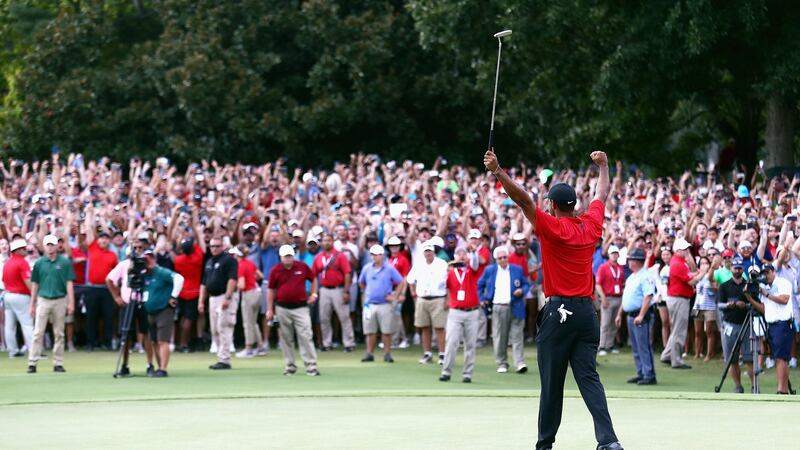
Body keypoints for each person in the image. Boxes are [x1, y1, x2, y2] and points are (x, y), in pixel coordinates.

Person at [484, 148, 621, 450]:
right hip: (587, 315)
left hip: (559, 312)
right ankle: (609, 441)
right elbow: (602, 194)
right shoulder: (591, 225)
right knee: (589, 378)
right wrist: (604, 166)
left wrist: (497, 171)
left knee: (552, 386)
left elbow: (523, 201)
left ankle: (545, 445)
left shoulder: (554, 228)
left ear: (555, 206)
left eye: (549, 203)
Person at [268, 245, 319, 376]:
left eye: (290, 256)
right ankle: (290, 365)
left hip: (301, 307)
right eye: (285, 256)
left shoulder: (302, 267)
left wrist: (313, 294)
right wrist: (269, 309)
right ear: (281, 257)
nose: (288, 259)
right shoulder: (276, 270)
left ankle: (311, 365)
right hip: (282, 308)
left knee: (306, 335)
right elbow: (270, 290)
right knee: (286, 338)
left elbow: (313, 279)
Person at [27, 235, 76, 373]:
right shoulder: (39, 263)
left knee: (59, 333)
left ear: (56, 246)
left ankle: (58, 363)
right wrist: (32, 304)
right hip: (43, 299)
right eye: (47, 245)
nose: (50, 247)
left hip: (60, 299)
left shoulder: (65, 262)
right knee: (38, 333)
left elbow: (69, 283)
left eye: (52, 245)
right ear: (43, 246)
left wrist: (71, 302)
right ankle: (32, 362)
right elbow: (35, 284)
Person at [106, 242, 156, 376]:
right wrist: (116, 297)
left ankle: (150, 364)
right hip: (127, 303)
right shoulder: (124, 264)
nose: (138, 250)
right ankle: (124, 365)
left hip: (143, 302)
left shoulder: (148, 264)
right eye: (136, 248)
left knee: (146, 333)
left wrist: (149, 268)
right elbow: (109, 279)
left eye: (141, 248)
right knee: (126, 334)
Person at [478, 246, 530, 374]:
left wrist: (522, 291)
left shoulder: (517, 270)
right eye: (500, 258)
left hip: (515, 305)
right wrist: (482, 299)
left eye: (505, 257)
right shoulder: (490, 270)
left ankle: (519, 362)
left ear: (508, 257)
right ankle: (502, 362)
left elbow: (526, 284)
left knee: (517, 335)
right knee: (500, 336)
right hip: (498, 306)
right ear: (496, 259)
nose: (503, 260)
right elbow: (479, 285)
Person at [746, 264, 793, 394]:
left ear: (773, 271)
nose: (765, 275)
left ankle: (781, 390)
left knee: (781, 358)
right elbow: (764, 309)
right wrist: (750, 298)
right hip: (771, 325)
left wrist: (766, 294)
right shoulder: (765, 287)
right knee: (779, 357)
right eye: (763, 273)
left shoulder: (783, 282)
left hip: (782, 324)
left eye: (767, 272)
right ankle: (783, 390)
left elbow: (784, 300)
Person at [615, 248, 657, 385]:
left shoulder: (645, 276)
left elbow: (648, 296)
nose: (629, 262)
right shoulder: (632, 276)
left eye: (631, 260)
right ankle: (641, 372)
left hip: (641, 316)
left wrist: (641, 315)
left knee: (643, 346)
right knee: (636, 347)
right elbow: (627, 297)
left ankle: (649, 374)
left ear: (637, 261)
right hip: (630, 315)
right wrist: (620, 313)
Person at [141, 249, 184, 378]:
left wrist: (173, 296)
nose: (146, 263)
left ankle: (163, 369)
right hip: (150, 311)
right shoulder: (145, 275)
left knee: (162, 340)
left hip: (163, 309)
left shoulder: (160, 272)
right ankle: (159, 367)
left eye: (148, 259)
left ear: (154, 260)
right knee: (154, 341)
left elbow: (179, 278)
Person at [440, 247, 480, 383]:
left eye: (464, 254)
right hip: (455, 312)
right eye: (459, 254)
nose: (462, 256)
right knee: (451, 342)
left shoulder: (472, 270)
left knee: (470, 344)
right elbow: (441, 285)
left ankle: (467, 373)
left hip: (472, 311)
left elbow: (475, 263)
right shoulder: (450, 273)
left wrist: (473, 252)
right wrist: (446, 270)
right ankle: (446, 371)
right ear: (455, 257)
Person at [358, 244, 404, 363]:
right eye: (372, 254)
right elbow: (361, 282)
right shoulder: (367, 268)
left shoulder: (389, 269)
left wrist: (395, 296)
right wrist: (368, 292)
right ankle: (369, 353)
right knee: (370, 331)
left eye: (377, 254)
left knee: (386, 331)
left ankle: (387, 354)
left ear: (382, 255)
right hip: (370, 304)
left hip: (385, 304)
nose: (374, 257)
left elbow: (400, 282)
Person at [199, 237, 239, 370]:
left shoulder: (229, 260)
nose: (214, 249)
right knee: (215, 329)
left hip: (224, 296)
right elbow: (204, 283)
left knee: (224, 327)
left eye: (217, 246)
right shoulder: (209, 262)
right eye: (212, 246)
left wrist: (228, 297)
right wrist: (201, 301)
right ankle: (220, 357)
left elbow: (232, 279)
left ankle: (224, 359)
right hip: (212, 298)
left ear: (222, 247)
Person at [81, 211, 119, 351]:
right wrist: (89, 213)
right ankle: (91, 343)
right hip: (92, 288)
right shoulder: (92, 248)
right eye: (101, 239)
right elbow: (89, 229)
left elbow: (116, 273)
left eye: (106, 239)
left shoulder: (112, 255)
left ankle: (107, 343)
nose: (103, 241)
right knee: (91, 317)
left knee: (108, 317)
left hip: (106, 289)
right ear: (98, 240)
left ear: (109, 241)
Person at [406, 241, 448, 365]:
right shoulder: (418, 264)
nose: (428, 253)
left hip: (438, 298)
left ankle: (442, 354)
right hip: (422, 299)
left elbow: (448, 282)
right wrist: (413, 291)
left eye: (430, 251)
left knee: (440, 327)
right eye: (426, 251)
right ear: (423, 252)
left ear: (433, 251)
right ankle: (427, 354)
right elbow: (410, 279)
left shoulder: (442, 264)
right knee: (424, 327)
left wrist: (448, 299)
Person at [717, 257, 754, 393]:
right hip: (730, 324)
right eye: (735, 267)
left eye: (739, 268)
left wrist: (746, 305)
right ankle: (738, 386)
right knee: (731, 358)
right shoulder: (724, 286)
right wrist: (729, 305)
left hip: (746, 324)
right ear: (731, 268)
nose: (737, 270)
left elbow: (756, 305)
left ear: (742, 269)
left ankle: (754, 386)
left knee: (750, 358)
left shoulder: (748, 285)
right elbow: (719, 305)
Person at [312, 233, 355, 352]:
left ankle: (349, 343)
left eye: (329, 240)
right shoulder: (318, 257)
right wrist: (315, 292)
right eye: (324, 241)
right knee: (324, 318)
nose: (326, 243)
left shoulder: (340, 256)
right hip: (324, 289)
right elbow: (314, 275)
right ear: (321, 242)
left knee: (344, 317)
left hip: (338, 289)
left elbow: (347, 273)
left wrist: (346, 291)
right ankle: (327, 343)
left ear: (333, 241)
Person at [660, 238, 696, 369]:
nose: (687, 251)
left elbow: (691, 273)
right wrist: (702, 274)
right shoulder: (677, 263)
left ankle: (667, 355)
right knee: (679, 331)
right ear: (678, 250)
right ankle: (676, 360)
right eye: (684, 249)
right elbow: (691, 281)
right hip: (678, 298)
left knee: (676, 329)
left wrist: (697, 274)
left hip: (679, 298)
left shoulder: (679, 261)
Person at [231, 245, 265, 358]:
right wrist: (251, 278)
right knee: (253, 322)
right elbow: (260, 275)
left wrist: (232, 285)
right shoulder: (250, 263)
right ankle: (260, 347)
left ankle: (249, 348)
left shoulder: (240, 265)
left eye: (234, 254)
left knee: (248, 323)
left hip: (248, 294)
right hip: (257, 292)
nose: (233, 256)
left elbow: (242, 285)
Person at [173, 238, 205, 353]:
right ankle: (183, 343)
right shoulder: (197, 259)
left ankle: (181, 342)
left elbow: (175, 256)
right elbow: (199, 247)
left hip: (182, 291)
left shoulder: (179, 260)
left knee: (182, 318)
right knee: (189, 319)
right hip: (193, 292)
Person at [3, 238, 33, 358]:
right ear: (17, 250)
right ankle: (33, 350)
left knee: (9, 326)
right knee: (27, 324)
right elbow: (28, 281)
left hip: (8, 295)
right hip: (20, 296)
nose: (26, 250)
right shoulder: (22, 262)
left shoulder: (7, 263)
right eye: (24, 248)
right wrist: (35, 295)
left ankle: (13, 351)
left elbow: (4, 280)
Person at [595, 245, 625, 355]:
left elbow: (621, 283)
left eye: (616, 253)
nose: (614, 255)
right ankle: (601, 346)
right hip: (607, 297)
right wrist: (602, 297)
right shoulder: (603, 267)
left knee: (614, 323)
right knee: (605, 323)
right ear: (609, 255)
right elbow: (598, 284)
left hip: (618, 297)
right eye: (612, 253)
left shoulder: (620, 268)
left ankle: (609, 345)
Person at [691, 257, 717, 361]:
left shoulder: (712, 276)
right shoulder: (697, 276)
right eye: (701, 263)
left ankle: (709, 354)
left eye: (706, 263)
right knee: (697, 332)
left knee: (709, 332)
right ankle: (697, 352)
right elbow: (692, 284)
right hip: (697, 306)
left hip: (709, 306)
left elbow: (715, 290)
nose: (704, 265)